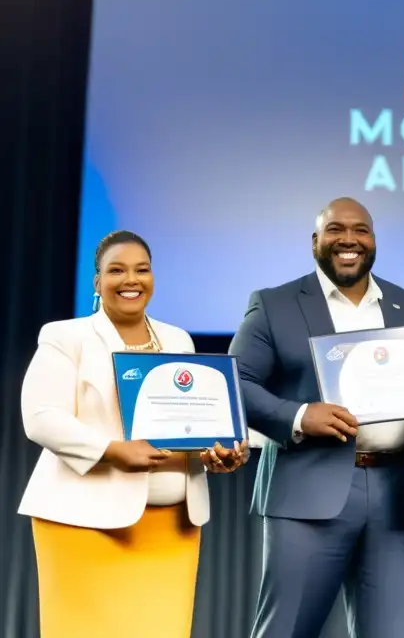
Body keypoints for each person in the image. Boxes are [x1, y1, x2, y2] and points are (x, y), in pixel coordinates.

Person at [232, 197, 404, 638]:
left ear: (373, 240)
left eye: (360, 230)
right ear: (315, 241)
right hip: (307, 490)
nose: (349, 240)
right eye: (336, 229)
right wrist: (300, 415)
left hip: (401, 495)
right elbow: (236, 383)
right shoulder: (274, 303)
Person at [18, 230, 248, 638]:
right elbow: (40, 416)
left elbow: (187, 427)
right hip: (83, 524)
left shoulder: (178, 339)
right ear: (98, 281)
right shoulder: (65, 336)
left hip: (172, 528)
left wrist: (216, 454)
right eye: (117, 270)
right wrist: (111, 450)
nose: (131, 280)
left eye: (142, 270)